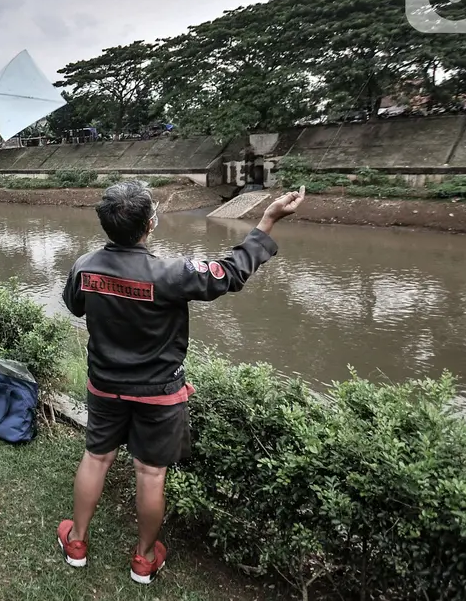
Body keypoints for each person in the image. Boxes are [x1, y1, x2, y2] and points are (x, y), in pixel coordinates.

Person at [56, 181, 304, 584]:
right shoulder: (172, 274)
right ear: (150, 224)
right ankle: (144, 559)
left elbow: (74, 304)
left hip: (104, 385)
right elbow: (230, 273)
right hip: (158, 394)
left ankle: (77, 543)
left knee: (96, 457)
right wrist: (268, 219)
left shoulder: (85, 266)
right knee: (150, 474)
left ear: (106, 226)